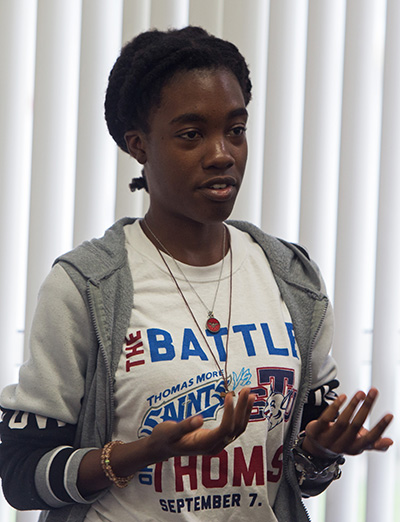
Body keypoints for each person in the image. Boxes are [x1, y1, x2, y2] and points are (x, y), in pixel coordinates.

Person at [0, 26, 393, 522]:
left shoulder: (291, 278)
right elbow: (21, 474)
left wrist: (321, 450)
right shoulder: (87, 286)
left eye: (235, 129)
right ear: (138, 146)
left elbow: (298, 476)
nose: (222, 154)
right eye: (192, 134)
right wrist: (142, 452)